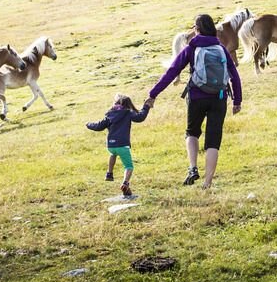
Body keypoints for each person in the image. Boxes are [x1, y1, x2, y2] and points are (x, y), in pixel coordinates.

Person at [145, 14, 242, 189]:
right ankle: (207, 183)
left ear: (197, 29)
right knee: (213, 141)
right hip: (219, 98)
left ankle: (193, 168)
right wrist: (237, 100)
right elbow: (234, 75)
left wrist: (153, 94)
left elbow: (172, 71)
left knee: (192, 133)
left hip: (197, 97)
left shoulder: (192, 48)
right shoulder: (221, 48)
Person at [86, 93, 150, 197]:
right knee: (129, 166)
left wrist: (88, 124)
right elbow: (140, 117)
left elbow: (98, 126)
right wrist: (146, 107)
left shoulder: (110, 114)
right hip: (123, 145)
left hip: (111, 146)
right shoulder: (128, 113)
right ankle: (125, 183)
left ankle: (109, 173)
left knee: (113, 154)